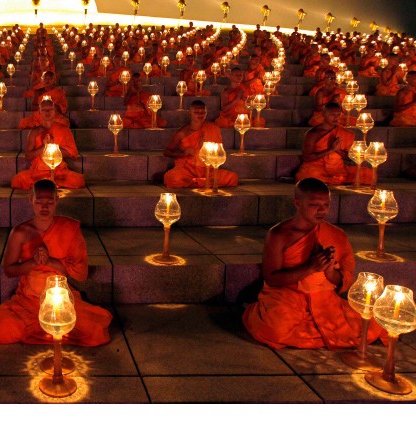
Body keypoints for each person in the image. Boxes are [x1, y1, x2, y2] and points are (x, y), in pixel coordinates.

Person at [242, 178, 386, 349]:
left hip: (324, 297)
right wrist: (310, 267)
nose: (321, 210)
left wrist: (329, 271)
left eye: (326, 205)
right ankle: (255, 312)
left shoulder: (336, 235)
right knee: (276, 330)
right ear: (297, 203)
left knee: (373, 325)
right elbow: (272, 279)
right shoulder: (279, 234)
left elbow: (344, 281)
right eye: (314, 205)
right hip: (288, 295)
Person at [0, 179, 112, 346]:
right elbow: (9, 270)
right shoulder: (20, 232)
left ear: (57, 200)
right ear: (31, 200)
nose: (44, 207)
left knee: (95, 330)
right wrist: (33, 264)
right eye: (39, 202)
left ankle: (46, 329)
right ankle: (52, 331)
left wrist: (50, 261)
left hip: (60, 298)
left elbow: (81, 275)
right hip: (28, 299)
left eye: (49, 202)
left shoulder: (69, 228)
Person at [11, 98, 85, 189]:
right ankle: (49, 181)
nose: (47, 112)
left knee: (79, 180)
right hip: (38, 171)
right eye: (44, 110)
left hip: (58, 170)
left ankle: (46, 182)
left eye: (50, 109)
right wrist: (44, 146)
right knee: (17, 180)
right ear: (39, 112)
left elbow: (73, 154)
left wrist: (54, 147)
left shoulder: (64, 129)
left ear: (54, 111)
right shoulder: (34, 131)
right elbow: (28, 156)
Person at [163, 100, 239, 188]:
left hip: (208, 169)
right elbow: (167, 152)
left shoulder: (213, 128)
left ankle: (197, 182)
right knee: (171, 178)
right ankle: (203, 182)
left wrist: (211, 154)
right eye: (196, 112)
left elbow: (219, 151)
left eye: (203, 112)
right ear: (190, 113)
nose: (200, 115)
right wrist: (183, 153)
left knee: (233, 178)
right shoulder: (182, 133)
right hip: (188, 169)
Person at [296, 102, 372, 185]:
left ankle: (333, 179)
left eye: (338, 115)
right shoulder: (313, 134)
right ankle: (334, 180)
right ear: (323, 114)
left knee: (369, 174)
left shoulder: (344, 133)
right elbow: (306, 157)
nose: (335, 118)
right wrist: (330, 150)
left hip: (338, 169)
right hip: (317, 168)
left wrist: (338, 150)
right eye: (332, 114)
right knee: (308, 175)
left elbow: (349, 158)